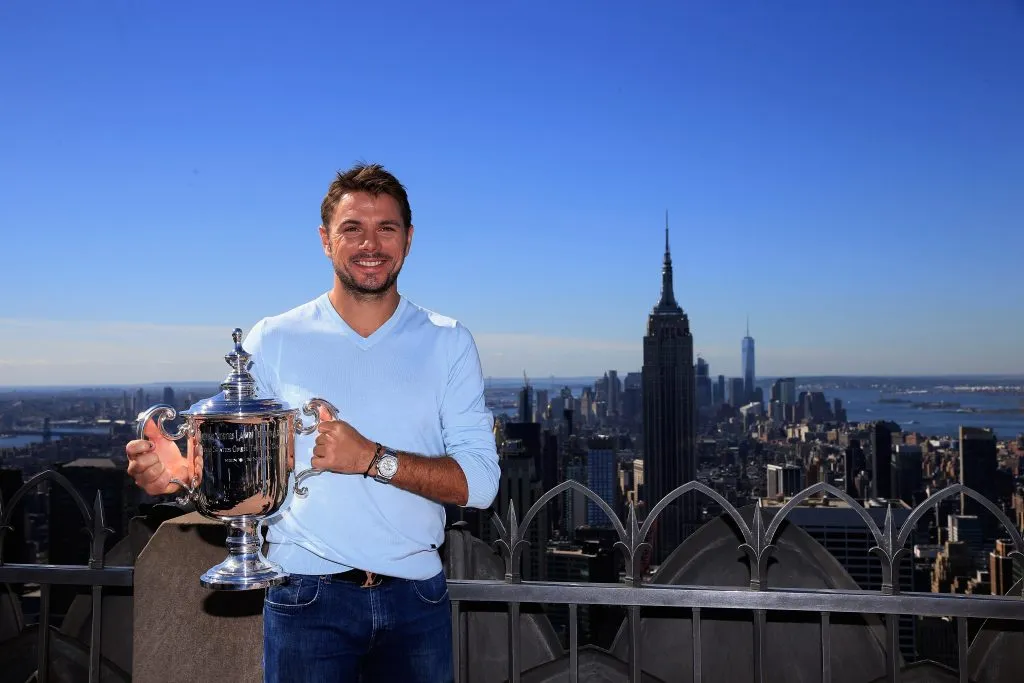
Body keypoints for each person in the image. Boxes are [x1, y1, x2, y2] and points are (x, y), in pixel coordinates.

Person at [125, 163, 500, 682]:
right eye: (352, 228)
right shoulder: (273, 339)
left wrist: (372, 460)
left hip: (417, 599)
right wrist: (186, 474)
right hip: (306, 597)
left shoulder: (448, 341)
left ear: (409, 240)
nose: (371, 244)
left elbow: (480, 484)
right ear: (326, 240)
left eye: (386, 228)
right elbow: (236, 465)